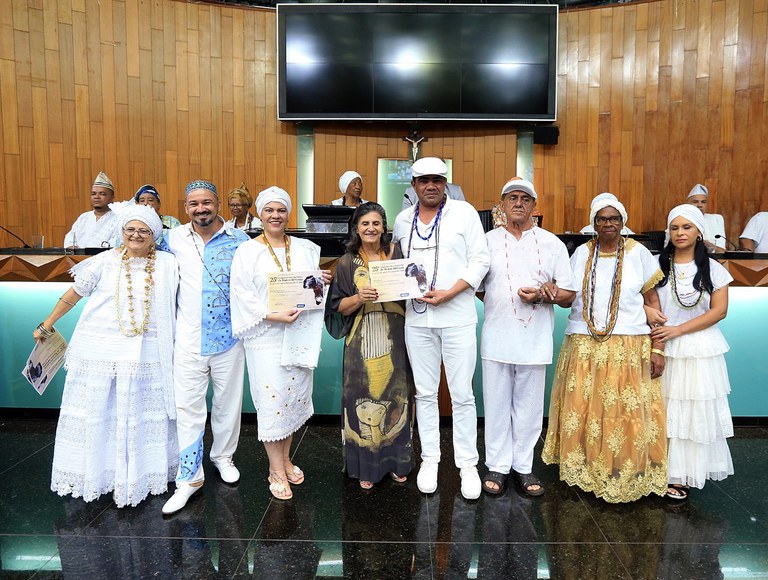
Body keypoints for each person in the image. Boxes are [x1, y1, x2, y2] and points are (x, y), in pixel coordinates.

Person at [34, 204, 178, 507]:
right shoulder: (103, 261)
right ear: (122, 231)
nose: (136, 235)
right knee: (100, 412)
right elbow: (74, 295)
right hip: (100, 349)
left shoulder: (168, 264)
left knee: (140, 411)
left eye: (143, 230)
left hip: (148, 352)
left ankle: (141, 473)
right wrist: (47, 323)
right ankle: (99, 474)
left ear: (154, 235)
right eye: (130, 229)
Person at [542, 194, 669, 503]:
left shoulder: (639, 253)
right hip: (584, 344)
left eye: (614, 218)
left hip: (628, 346)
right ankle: (585, 471)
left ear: (623, 222)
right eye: (602, 218)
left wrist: (658, 349)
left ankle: (622, 472)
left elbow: (653, 302)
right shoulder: (581, 254)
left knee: (622, 414)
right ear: (594, 223)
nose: (608, 223)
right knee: (585, 411)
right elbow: (569, 298)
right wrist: (550, 291)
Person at [392, 157, 490, 500]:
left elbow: (481, 260)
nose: (430, 185)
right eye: (423, 180)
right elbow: (397, 265)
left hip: (458, 317)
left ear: (445, 182)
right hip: (417, 319)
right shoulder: (403, 220)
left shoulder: (464, 213)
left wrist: (451, 292)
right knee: (424, 393)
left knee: (462, 394)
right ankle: (430, 459)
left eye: (437, 179)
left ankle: (467, 464)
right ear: (414, 185)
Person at [230, 186, 330, 500]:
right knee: (273, 405)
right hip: (266, 337)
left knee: (292, 401)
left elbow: (310, 288)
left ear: (289, 214)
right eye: (269, 210)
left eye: (281, 210)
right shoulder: (247, 251)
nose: (275, 216)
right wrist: (271, 315)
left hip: (298, 334)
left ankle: (286, 459)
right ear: (260, 214)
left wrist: (321, 281)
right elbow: (241, 294)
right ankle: (275, 469)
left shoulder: (306, 248)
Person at [478, 178, 575, 497]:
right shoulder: (486, 241)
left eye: (525, 199)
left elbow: (569, 295)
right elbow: (477, 287)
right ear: (502, 205)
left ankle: (523, 466)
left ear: (534, 205)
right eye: (512, 198)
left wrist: (546, 295)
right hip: (497, 336)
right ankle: (497, 465)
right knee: (496, 405)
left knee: (529, 407)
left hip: (534, 339)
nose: (518, 203)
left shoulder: (552, 243)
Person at [161, 180, 250, 515]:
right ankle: (189, 477)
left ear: (217, 204)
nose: (201, 209)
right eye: (194, 204)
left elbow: (259, 279)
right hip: (187, 339)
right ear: (186, 208)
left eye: (207, 202)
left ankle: (223, 457)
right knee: (188, 407)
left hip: (230, 338)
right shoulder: (172, 239)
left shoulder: (240, 241)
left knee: (228, 404)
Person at [325, 202, 415, 489]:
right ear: (356, 228)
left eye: (376, 223)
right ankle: (365, 467)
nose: (371, 228)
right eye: (365, 224)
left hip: (397, 341)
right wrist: (359, 298)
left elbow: (413, 290)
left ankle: (398, 463)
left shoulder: (398, 254)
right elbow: (338, 306)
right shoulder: (346, 262)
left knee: (398, 398)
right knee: (361, 400)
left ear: (384, 226)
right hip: (359, 347)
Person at [650, 204, 734, 500]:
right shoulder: (655, 265)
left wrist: (679, 330)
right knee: (661, 409)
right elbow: (640, 300)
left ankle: (681, 474)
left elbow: (719, 311)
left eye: (687, 227)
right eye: (674, 228)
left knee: (691, 411)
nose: (680, 233)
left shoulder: (714, 269)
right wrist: (652, 317)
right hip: (661, 344)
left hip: (699, 349)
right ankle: (655, 470)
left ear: (699, 231)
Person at [64, 171, 119, 248]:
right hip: (79, 255)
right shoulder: (83, 217)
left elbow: (117, 244)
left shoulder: (118, 218)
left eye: (102, 194)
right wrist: (72, 247)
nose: (96, 197)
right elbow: (70, 240)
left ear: (112, 198)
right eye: (93, 194)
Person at [686, 184, 726, 252]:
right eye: (695, 202)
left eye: (703, 202)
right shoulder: (680, 220)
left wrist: (709, 245)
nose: (699, 205)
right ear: (688, 204)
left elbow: (722, 251)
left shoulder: (716, 219)